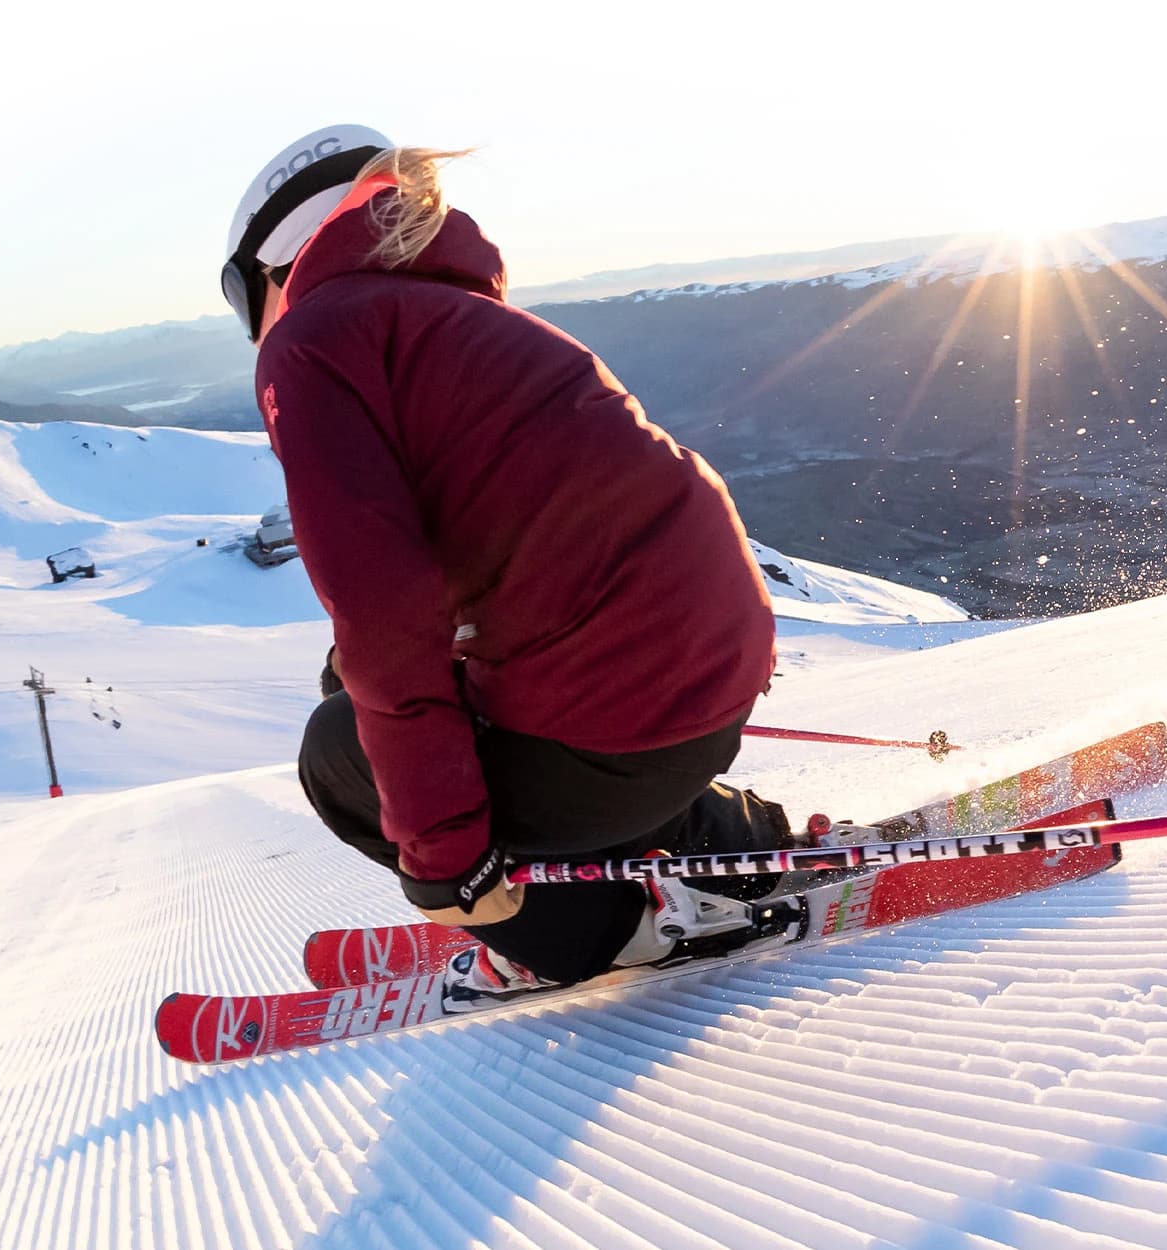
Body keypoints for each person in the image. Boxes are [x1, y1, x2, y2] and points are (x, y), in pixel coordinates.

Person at [223, 124, 790, 996]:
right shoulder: (463, 315)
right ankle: (712, 840)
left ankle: (602, 931)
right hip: (712, 679)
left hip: (620, 727)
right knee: (362, 687)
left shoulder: (313, 343)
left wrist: (449, 860)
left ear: (273, 265)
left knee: (341, 755)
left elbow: (385, 611)